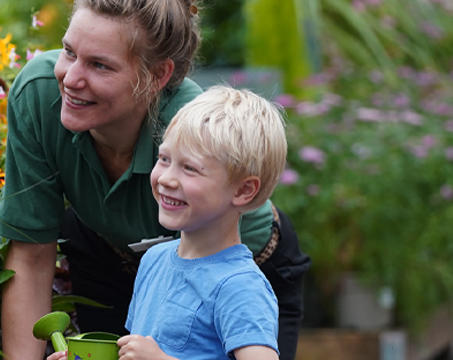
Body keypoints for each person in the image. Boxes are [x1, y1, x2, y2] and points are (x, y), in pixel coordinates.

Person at [0, 1, 310, 359]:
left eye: (100, 64)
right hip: (146, 262)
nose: (69, 79)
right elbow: (30, 253)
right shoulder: (40, 92)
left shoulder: (193, 130)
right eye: (69, 51)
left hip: (237, 261)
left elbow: (223, 280)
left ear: (158, 75)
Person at [48, 86, 287, 360]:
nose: (165, 179)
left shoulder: (239, 286)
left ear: (243, 191)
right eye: (164, 159)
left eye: (190, 168)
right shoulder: (154, 261)